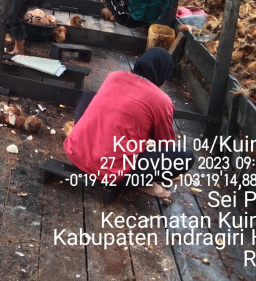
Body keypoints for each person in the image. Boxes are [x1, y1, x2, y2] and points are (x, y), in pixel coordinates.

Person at [63, 48, 193, 199]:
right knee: (186, 157)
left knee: (89, 96)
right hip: (110, 173)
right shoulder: (162, 101)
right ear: (163, 75)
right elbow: (166, 144)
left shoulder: (114, 76)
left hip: (75, 153)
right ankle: (140, 182)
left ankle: (81, 140)